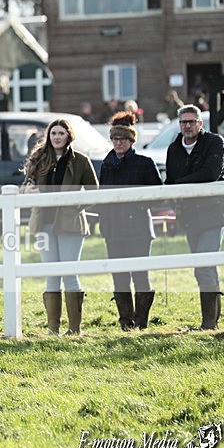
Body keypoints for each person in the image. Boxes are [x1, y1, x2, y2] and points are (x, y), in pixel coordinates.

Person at [22, 118, 99, 336]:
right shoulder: (39, 159)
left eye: (61, 133)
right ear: (49, 136)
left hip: (70, 224)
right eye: (53, 133)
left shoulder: (81, 160)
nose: (57, 137)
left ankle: (74, 329)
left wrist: (75, 206)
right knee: (51, 274)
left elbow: (94, 191)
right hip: (43, 223)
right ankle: (52, 329)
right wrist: (28, 191)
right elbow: (25, 187)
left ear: (68, 135)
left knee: (69, 273)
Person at [165, 104, 224, 330]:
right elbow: (170, 180)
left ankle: (209, 323)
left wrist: (179, 185)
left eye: (192, 121)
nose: (187, 126)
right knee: (202, 267)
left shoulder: (214, 143)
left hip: (213, 214)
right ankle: (211, 321)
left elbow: (210, 174)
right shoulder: (174, 148)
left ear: (200, 123)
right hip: (189, 216)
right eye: (183, 122)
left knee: (204, 266)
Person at [97, 112, 162, 330]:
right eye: (115, 139)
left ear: (131, 140)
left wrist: (136, 206)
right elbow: (102, 197)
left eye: (122, 139)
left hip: (139, 229)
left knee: (140, 276)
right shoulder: (106, 164)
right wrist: (104, 223)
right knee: (119, 277)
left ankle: (141, 322)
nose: (118, 143)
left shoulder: (144, 163)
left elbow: (158, 195)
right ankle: (126, 322)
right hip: (113, 229)